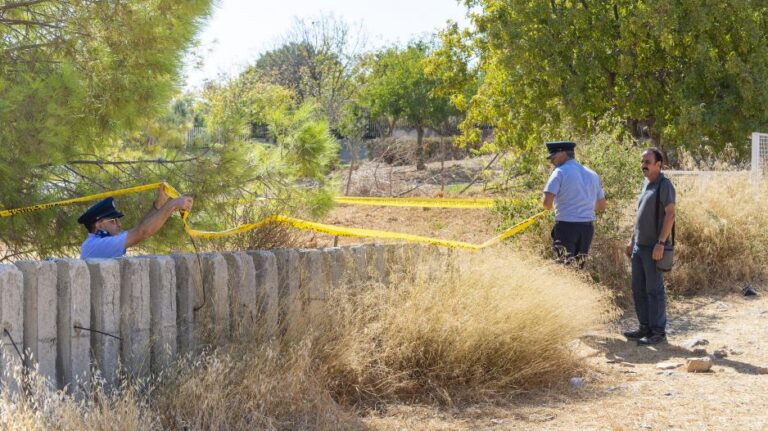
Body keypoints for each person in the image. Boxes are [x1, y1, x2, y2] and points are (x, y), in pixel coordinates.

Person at [623, 148, 676, 345]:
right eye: (642, 161)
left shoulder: (664, 185)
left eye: (648, 161)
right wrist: (632, 240)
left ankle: (658, 333)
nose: (643, 165)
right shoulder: (645, 184)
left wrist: (661, 243)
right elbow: (640, 216)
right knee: (638, 288)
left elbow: (670, 215)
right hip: (639, 247)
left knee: (654, 291)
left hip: (654, 248)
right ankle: (644, 327)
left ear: (658, 164)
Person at [78, 184, 193, 259]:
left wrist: (159, 203)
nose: (119, 224)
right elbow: (142, 232)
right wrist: (172, 205)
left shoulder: (101, 241)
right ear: (99, 225)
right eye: (114, 221)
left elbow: (139, 228)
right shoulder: (95, 245)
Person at [542, 141, 607, 266]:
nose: (551, 161)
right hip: (587, 229)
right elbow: (601, 205)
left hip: (567, 227)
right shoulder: (592, 174)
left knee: (563, 270)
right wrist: (582, 206)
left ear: (563, 153)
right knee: (578, 270)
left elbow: (546, 204)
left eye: (553, 156)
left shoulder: (559, 172)